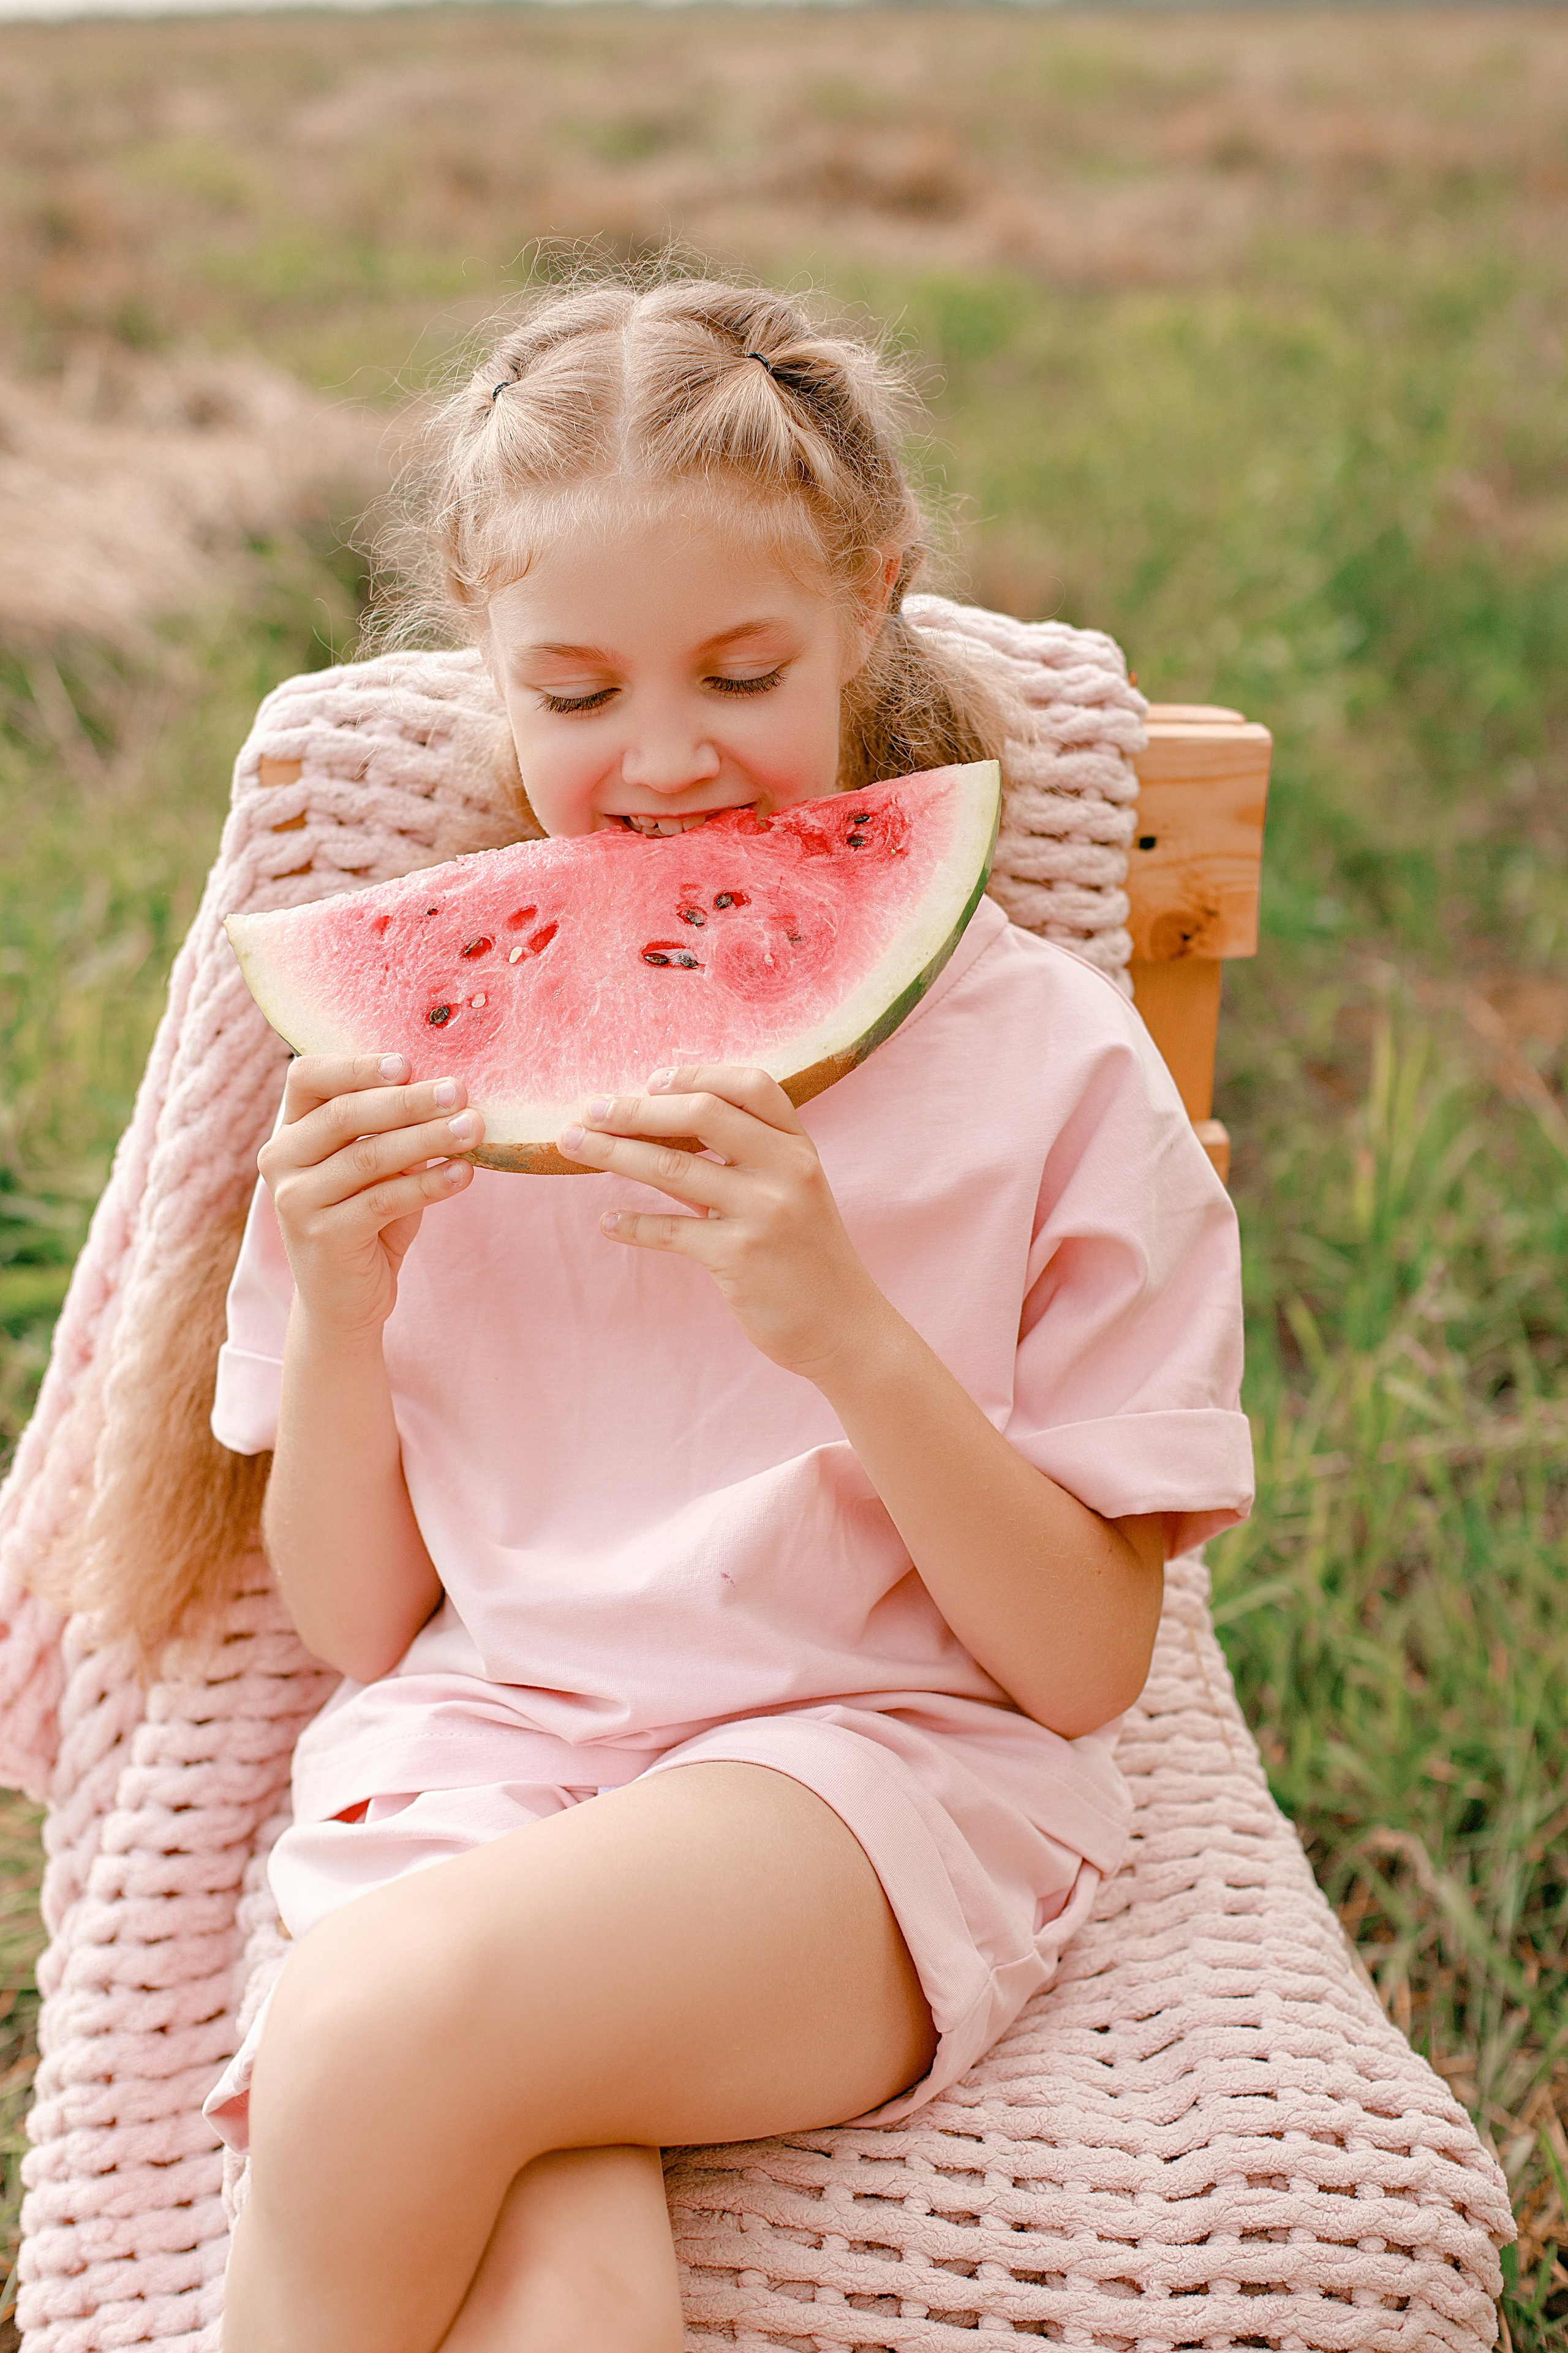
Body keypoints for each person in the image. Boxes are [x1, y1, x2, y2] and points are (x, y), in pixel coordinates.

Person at [205, 273, 1253, 2353]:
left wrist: (844, 1321)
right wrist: (339, 1297)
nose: (665, 761)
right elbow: (356, 1629)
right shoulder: (420, 1078)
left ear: (876, 602)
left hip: (864, 1772)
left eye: (743, 670)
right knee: (572, 2289)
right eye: (575, 693)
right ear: (484, 662)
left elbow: (1077, 1664)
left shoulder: (1053, 1066)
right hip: (476, 1761)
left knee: (378, 2023)